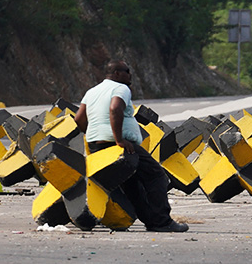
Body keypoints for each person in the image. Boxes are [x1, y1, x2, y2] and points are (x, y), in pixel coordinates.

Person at [73, 59, 189, 232]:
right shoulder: (121, 88)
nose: (130, 75)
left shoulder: (92, 91)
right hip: (118, 146)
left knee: (131, 183)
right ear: (117, 74)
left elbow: (79, 119)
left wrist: (94, 134)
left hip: (97, 146)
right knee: (156, 175)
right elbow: (115, 109)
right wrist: (119, 139)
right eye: (127, 71)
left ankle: (153, 222)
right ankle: (162, 222)